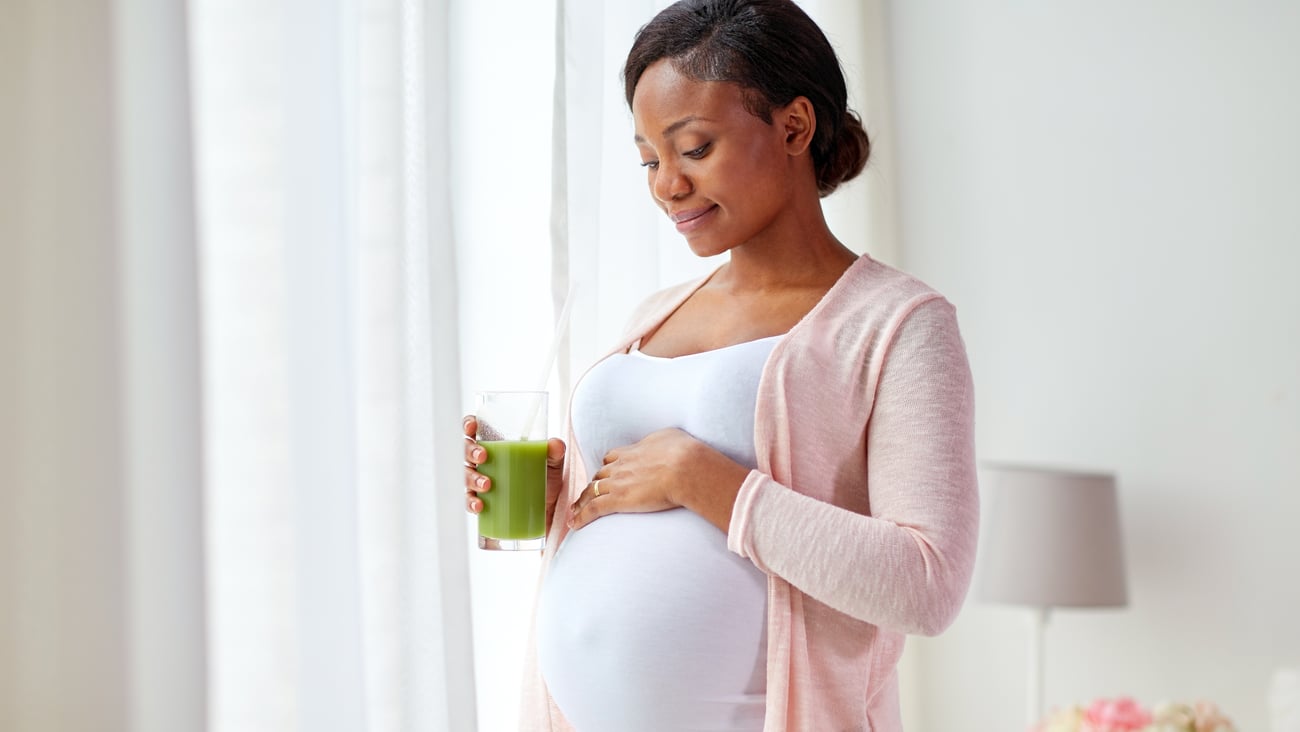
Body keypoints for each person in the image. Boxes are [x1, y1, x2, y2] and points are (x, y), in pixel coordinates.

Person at [462, 0, 979, 729]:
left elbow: (929, 586)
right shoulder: (656, 312)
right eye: (649, 159)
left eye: (694, 149)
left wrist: (707, 481)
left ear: (794, 126)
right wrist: (563, 502)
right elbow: (633, 519)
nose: (666, 185)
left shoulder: (897, 324)